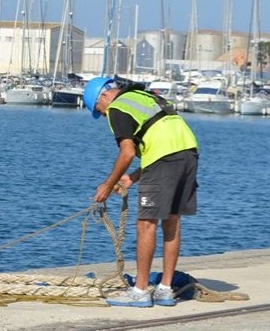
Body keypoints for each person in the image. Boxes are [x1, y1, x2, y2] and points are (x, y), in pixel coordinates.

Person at [82, 77, 199, 308]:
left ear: (103, 97)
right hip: (189, 152)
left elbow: (127, 152)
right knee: (172, 221)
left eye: (98, 109)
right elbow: (160, 137)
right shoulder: (145, 97)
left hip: (164, 158)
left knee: (146, 224)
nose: (103, 115)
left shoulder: (117, 107)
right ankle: (165, 290)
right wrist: (132, 178)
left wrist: (108, 185)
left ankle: (141, 290)